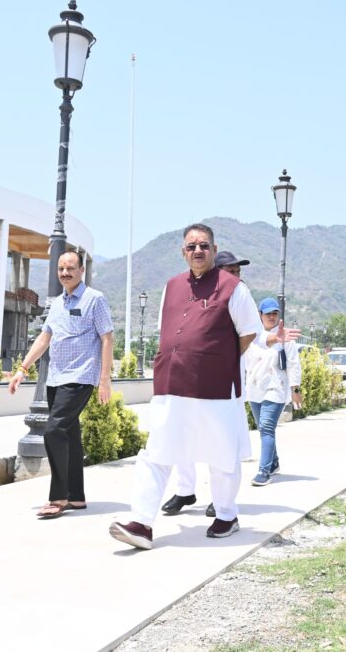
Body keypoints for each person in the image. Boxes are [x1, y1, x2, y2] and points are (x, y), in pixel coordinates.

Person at [110, 224, 262, 550]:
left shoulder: (234, 288)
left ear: (214, 249)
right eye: (191, 246)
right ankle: (141, 522)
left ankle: (227, 515)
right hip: (171, 383)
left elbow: (249, 331)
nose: (198, 251)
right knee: (157, 451)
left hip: (216, 386)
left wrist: (219, 359)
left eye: (204, 245)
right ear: (183, 252)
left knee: (222, 454)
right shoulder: (171, 286)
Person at [8, 251, 114, 519]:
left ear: (82, 271)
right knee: (70, 437)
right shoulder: (56, 303)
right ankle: (76, 496)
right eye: (61, 269)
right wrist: (22, 369)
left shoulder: (95, 299)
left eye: (70, 268)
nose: (65, 273)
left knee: (54, 430)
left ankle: (59, 496)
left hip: (81, 377)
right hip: (56, 378)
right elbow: (44, 338)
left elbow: (107, 338)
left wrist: (104, 379)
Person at [161, 249, 250, 519]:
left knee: (221, 442)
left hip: (225, 383)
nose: (236, 275)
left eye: (238, 271)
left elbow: (250, 334)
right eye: (231, 271)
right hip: (189, 380)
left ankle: (221, 502)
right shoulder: (195, 293)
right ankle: (185, 490)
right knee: (183, 436)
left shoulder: (238, 294)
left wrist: (222, 360)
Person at [245, 297, 302, 485]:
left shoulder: (285, 336)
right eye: (268, 313)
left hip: (275, 387)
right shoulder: (252, 336)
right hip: (254, 388)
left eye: (275, 313)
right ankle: (274, 462)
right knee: (263, 428)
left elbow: (293, 363)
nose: (272, 317)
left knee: (267, 427)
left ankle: (264, 471)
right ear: (260, 315)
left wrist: (295, 389)